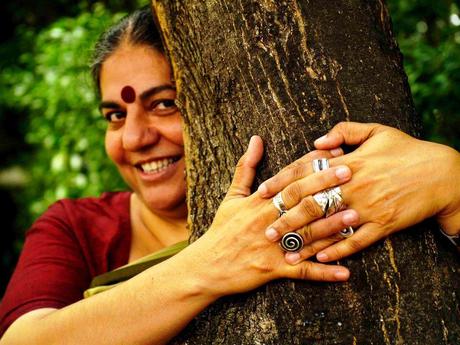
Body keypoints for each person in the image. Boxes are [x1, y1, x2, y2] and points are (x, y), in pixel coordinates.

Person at [0, 7, 459, 345]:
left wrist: (450, 181)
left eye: (164, 103)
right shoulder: (77, 229)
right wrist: (213, 262)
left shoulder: (351, 189)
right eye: (114, 115)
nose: (134, 137)